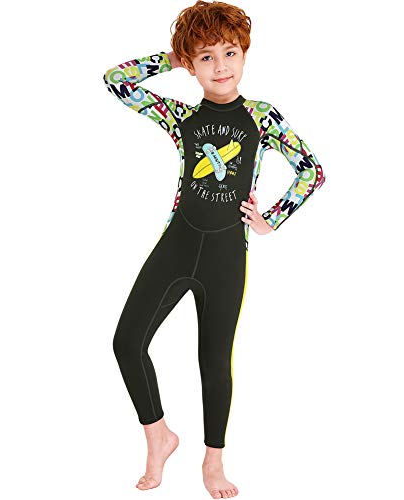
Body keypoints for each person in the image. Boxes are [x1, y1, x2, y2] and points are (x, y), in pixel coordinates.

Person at [103, 1, 325, 497]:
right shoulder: (180, 116)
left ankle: (213, 463)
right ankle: (158, 436)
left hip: (227, 255)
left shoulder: (261, 117)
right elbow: (116, 79)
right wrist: (174, 57)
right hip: (177, 244)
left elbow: (311, 170)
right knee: (126, 342)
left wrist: (272, 219)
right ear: (191, 64)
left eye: (229, 53)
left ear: (243, 54)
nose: (220, 66)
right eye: (205, 57)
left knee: (214, 361)